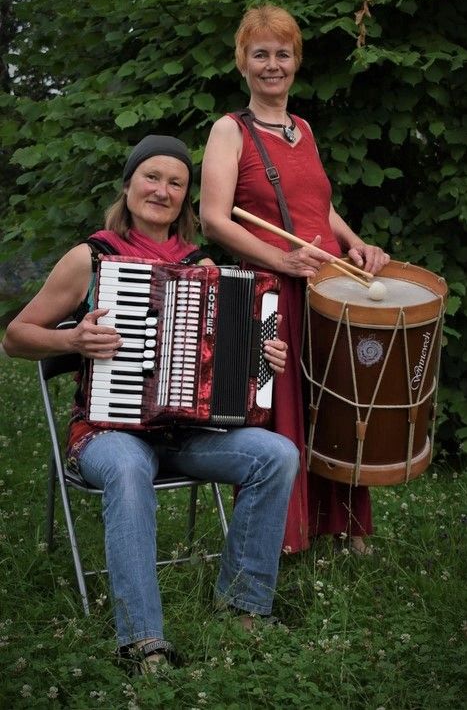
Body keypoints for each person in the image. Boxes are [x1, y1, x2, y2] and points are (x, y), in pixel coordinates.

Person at [3, 134, 299, 673]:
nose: (162, 191)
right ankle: (143, 641)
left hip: (185, 436)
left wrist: (264, 354)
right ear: (128, 184)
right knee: (126, 466)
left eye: (176, 183)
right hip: (107, 433)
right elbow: (15, 336)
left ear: (186, 199)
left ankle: (243, 607)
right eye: (152, 177)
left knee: (276, 454)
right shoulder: (91, 257)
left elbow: (234, 353)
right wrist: (72, 341)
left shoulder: (202, 265)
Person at [200, 5, 390, 557]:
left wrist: (353, 242)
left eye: (282, 53)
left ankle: (345, 526)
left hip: (329, 290)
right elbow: (215, 218)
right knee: (281, 410)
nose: (272, 64)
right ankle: (283, 537)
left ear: (296, 61)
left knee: (334, 404)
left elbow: (318, 208)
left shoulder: (302, 128)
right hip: (272, 294)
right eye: (260, 54)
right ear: (242, 62)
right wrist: (281, 262)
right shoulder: (229, 130)